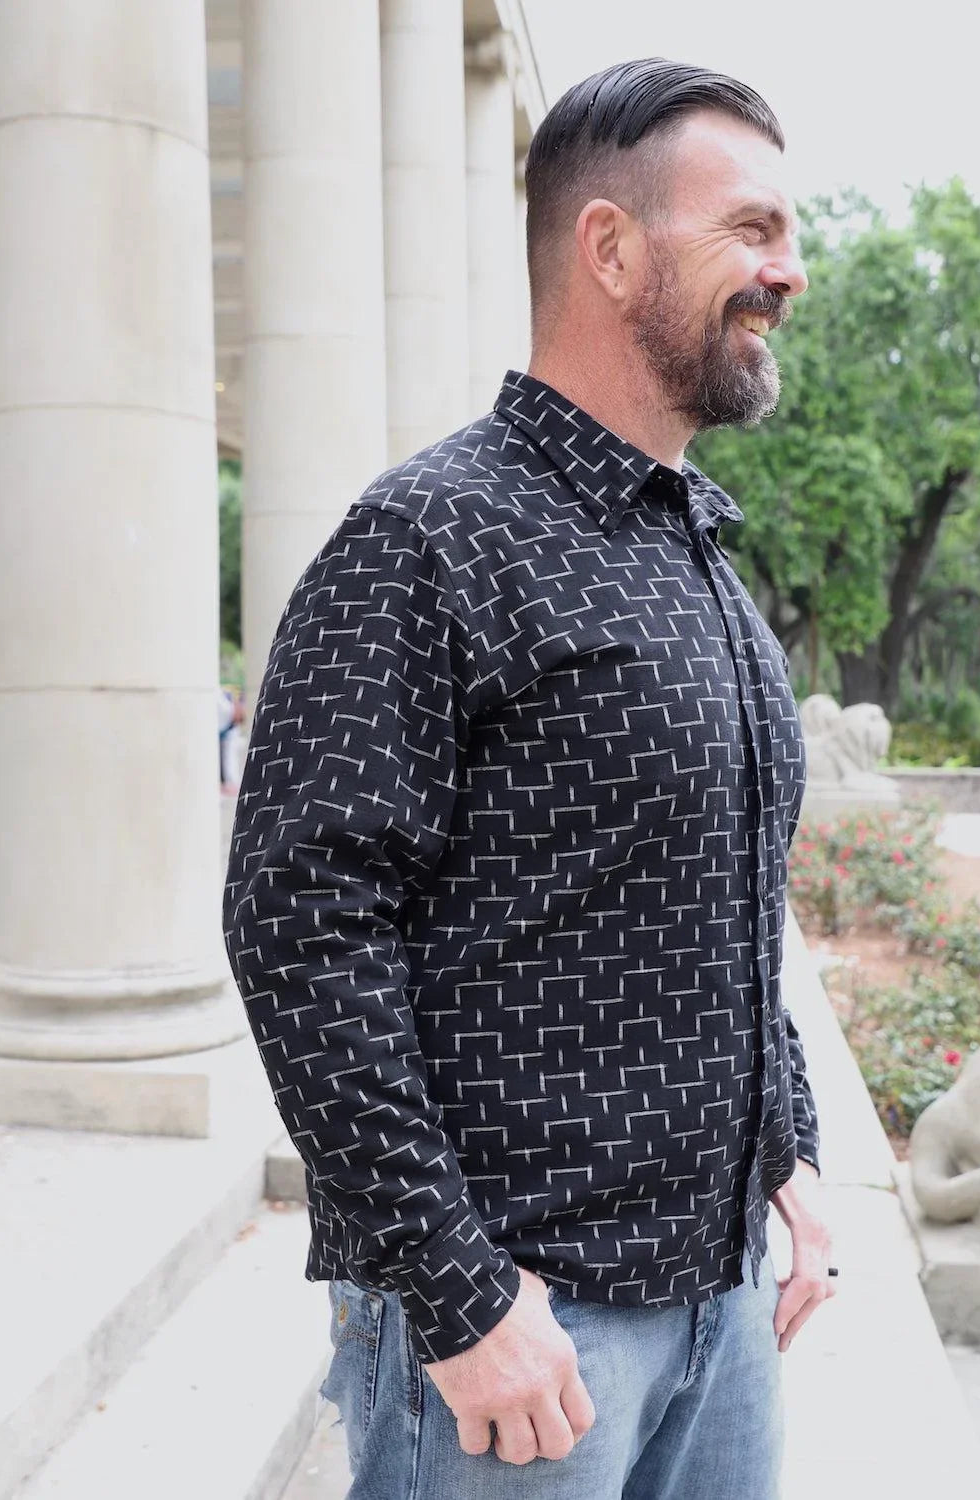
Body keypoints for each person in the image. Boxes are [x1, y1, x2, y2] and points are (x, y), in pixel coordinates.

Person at [223, 57, 837, 1500]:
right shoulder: (425, 541)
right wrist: (458, 1297)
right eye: (750, 231)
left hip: (723, 1313)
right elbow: (301, 928)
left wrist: (788, 1146)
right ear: (609, 248)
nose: (790, 271)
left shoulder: (698, 552)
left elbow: (727, 888)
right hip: (523, 1341)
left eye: (789, 236)